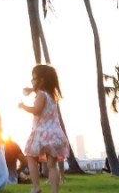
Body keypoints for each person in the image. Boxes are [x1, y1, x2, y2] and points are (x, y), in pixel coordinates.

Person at [19, 65, 68, 193]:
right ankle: (55, 190)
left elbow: (37, 110)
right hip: (55, 134)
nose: (31, 81)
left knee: (30, 157)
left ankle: (36, 187)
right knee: (52, 165)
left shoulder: (41, 94)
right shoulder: (51, 96)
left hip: (42, 133)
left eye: (34, 79)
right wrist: (32, 90)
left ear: (42, 81)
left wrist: (23, 106)